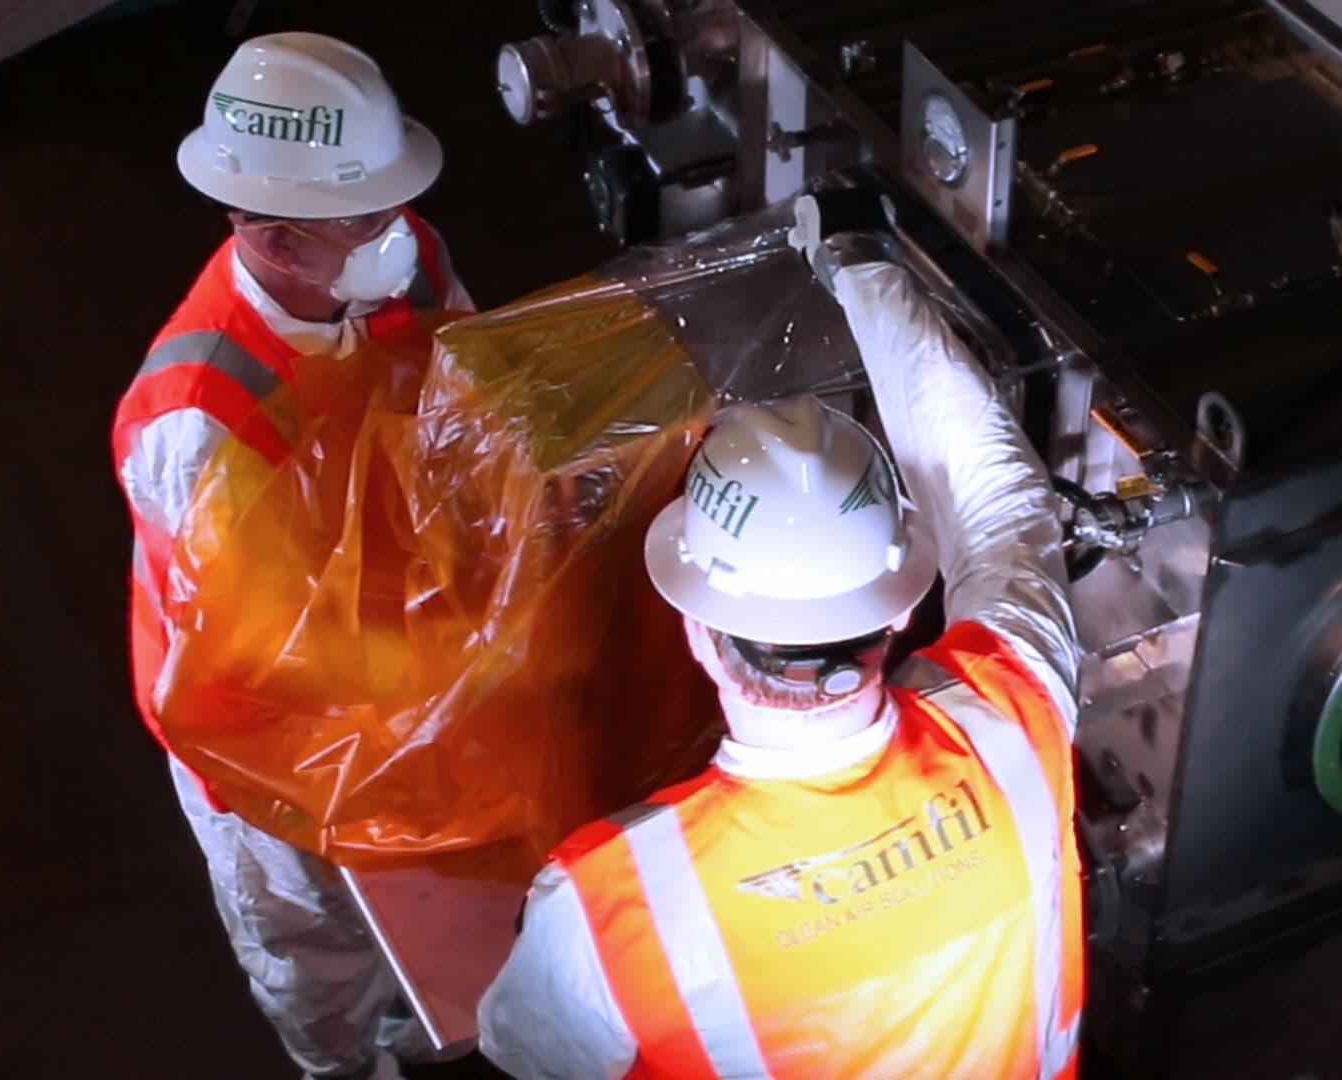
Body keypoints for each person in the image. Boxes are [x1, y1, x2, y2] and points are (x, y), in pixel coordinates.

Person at [477, 197, 1082, 1079]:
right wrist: (864, 267)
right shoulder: (1019, 715)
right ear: (897, 611)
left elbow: (522, 1047)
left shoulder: (609, 910)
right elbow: (999, 502)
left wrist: (853, 257)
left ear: (695, 630)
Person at [111, 31, 473, 1080]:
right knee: (312, 937)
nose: (397, 232)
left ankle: (421, 1028)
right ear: (274, 241)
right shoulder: (198, 419)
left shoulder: (399, 254)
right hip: (261, 740)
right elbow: (252, 655)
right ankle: (347, 1064)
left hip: (397, 659)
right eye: (363, 219)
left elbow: (469, 397)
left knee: (426, 907)